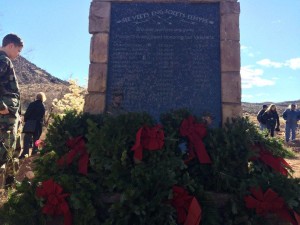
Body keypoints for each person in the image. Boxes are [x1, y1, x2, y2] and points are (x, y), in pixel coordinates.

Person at [0, 34, 23, 165]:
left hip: (9, 113)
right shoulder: (3, 60)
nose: (18, 54)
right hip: (5, 114)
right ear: (11, 45)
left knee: (9, 149)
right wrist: (1, 106)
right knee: (5, 149)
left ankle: (7, 182)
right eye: (18, 50)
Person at [19, 92, 46, 158]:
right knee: (36, 139)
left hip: (30, 122)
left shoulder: (32, 104)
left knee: (27, 139)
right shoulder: (43, 106)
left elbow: (27, 113)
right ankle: (34, 154)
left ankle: (25, 153)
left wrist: (25, 121)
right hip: (39, 124)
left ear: (36, 97)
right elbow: (42, 116)